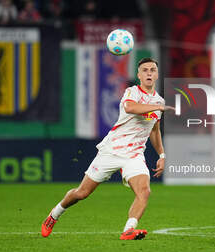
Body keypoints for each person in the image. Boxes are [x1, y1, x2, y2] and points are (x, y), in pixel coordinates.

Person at [41, 58, 174, 240]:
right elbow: (130, 107)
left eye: (152, 70)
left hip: (134, 155)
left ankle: (129, 229)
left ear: (157, 74)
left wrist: (162, 154)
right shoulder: (132, 92)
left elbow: (155, 130)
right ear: (139, 75)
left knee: (144, 191)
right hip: (111, 150)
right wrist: (157, 107)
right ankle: (54, 214)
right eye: (145, 70)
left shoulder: (159, 101)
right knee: (82, 193)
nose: (149, 73)